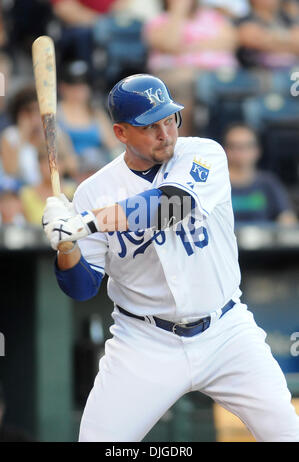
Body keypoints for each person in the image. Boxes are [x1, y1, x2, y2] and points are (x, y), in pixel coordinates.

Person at [42, 74, 299, 442]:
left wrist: (83, 224)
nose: (166, 133)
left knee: (287, 434)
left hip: (226, 331)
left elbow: (171, 204)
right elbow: (81, 288)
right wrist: (65, 244)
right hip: (144, 341)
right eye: (151, 126)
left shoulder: (204, 153)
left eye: (170, 119)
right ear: (121, 133)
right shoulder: (93, 191)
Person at [144, 0, 238, 136]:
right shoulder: (159, 21)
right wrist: (178, 11)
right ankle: (182, 143)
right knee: (186, 87)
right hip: (177, 75)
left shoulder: (212, 16)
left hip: (217, 73)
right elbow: (170, 44)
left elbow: (231, 41)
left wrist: (189, 47)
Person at [0, 84, 78, 186]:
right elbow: (10, 171)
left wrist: (47, 138)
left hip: (50, 190)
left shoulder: (55, 132)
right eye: (28, 112)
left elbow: (72, 167)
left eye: (38, 110)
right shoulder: (10, 136)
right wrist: (23, 136)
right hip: (22, 194)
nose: (34, 117)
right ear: (19, 114)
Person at [223, 123, 297, 225]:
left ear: (257, 150)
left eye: (247, 146)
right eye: (235, 146)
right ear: (225, 150)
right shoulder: (217, 184)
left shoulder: (269, 183)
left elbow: (287, 217)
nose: (241, 152)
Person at [57, 60, 121, 177]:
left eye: (82, 85)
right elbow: (65, 155)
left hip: (100, 169)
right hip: (72, 174)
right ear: (63, 87)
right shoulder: (56, 114)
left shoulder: (95, 112)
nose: (78, 90)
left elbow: (114, 146)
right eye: (73, 85)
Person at [236, 0, 299, 70]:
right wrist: (288, 40)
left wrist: (269, 38)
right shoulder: (245, 20)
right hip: (257, 73)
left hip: (291, 71)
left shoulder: (286, 19)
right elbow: (251, 39)